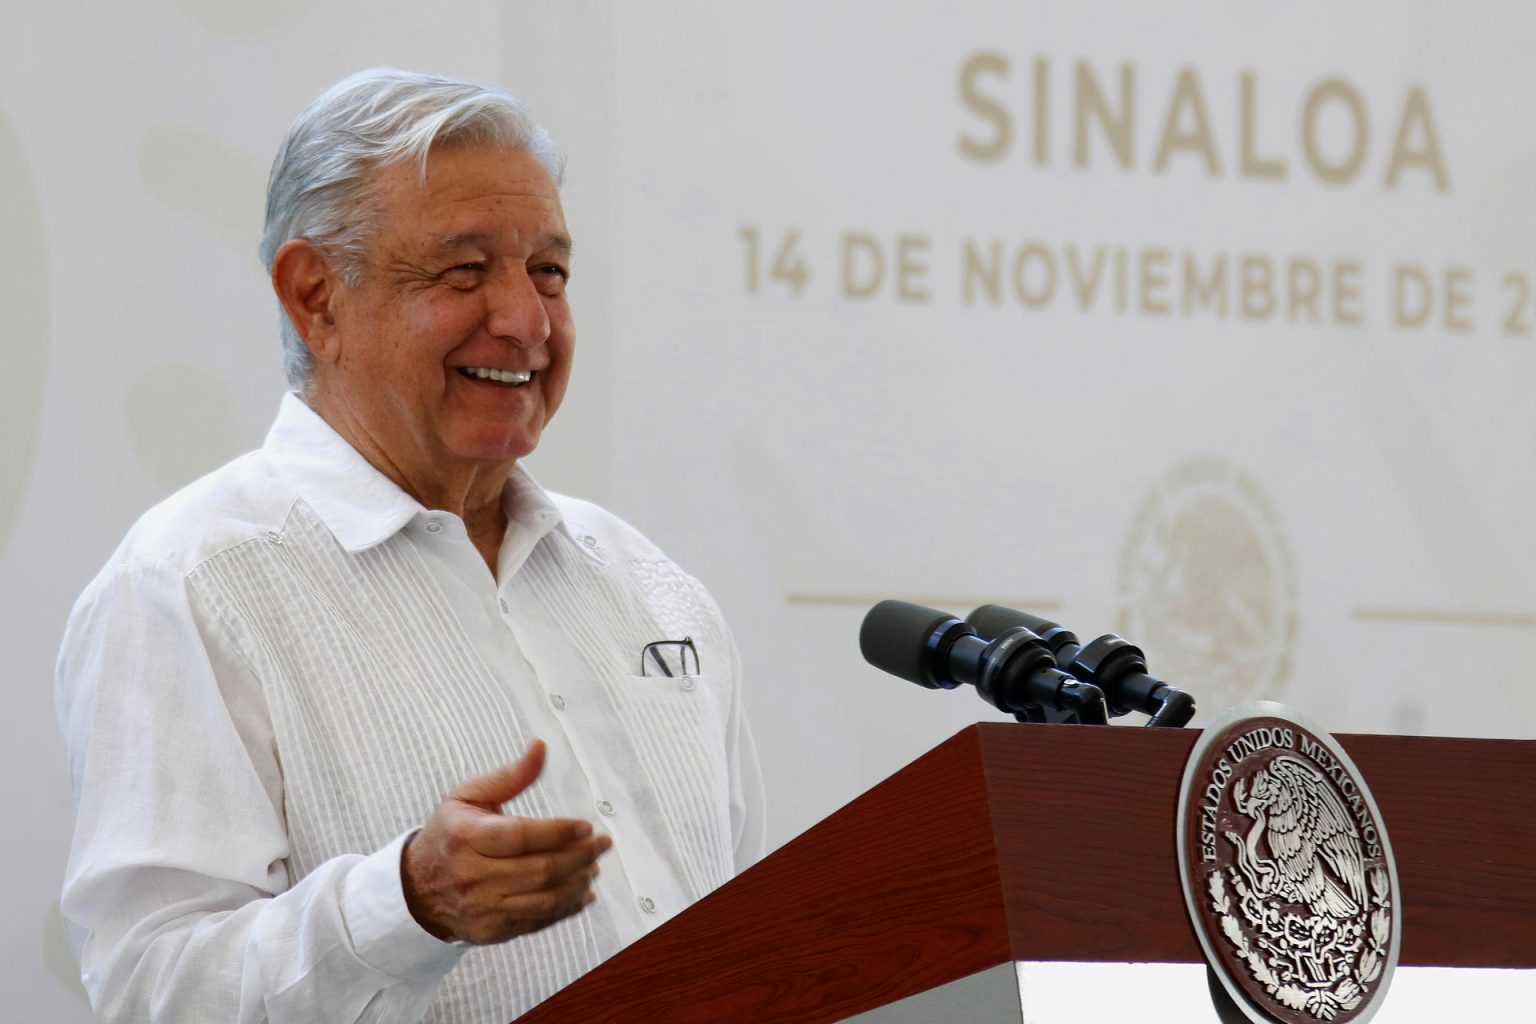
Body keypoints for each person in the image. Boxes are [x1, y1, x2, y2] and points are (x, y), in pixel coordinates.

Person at [55, 67, 765, 1024]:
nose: (524, 321)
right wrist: (407, 904)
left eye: (548, 272)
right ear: (317, 299)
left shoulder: (646, 583)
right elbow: (155, 991)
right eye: (464, 272)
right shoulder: (189, 582)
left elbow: (768, 931)